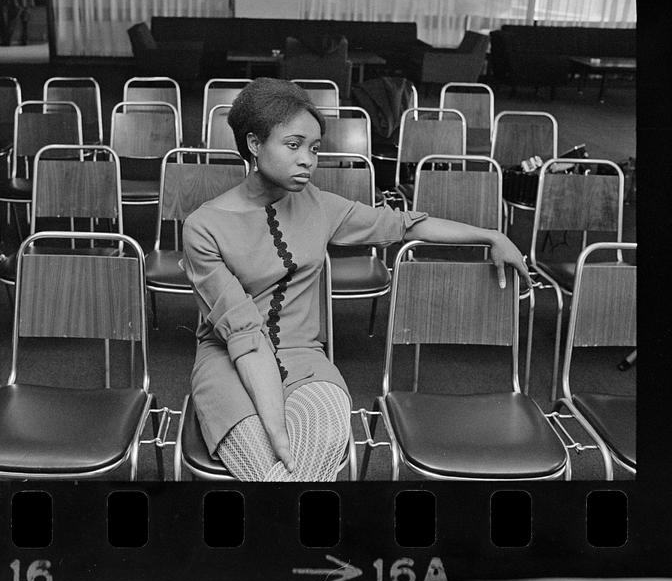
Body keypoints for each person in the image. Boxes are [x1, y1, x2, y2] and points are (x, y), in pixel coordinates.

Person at [180, 78, 531, 482]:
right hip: (227, 363)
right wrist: (276, 429)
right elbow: (242, 334)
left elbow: (403, 225)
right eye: (293, 145)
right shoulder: (203, 227)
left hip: (306, 360)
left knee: (306, 457)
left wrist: (493, 235)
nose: (307, 160)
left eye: (313, 148)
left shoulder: (319, 205)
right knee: (274, 470)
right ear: (255, 144)